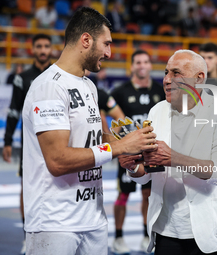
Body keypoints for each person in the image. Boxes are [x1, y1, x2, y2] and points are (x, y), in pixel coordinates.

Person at [21, 7, 156, 255]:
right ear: (86, 40)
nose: (109, 52)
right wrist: (119, 147)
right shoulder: (48, 87)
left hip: (93, 218)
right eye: (106, 44)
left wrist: (127, 149)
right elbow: (58, 160)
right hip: (55, 223)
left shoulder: (88, 86)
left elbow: (92, 139)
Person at [119, 50, 217, 254]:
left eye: (176, 73)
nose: (167, 79)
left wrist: (173, 158)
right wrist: (133, 167)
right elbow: (150, 172)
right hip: (167, 229)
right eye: (166, 72)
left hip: (213, 231)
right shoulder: (157, 111)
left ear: (199, 78)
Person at [110, 49, 165, 253]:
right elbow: (109, 114)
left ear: (150, 65)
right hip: (128, 153)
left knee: (148, 194)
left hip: (151, 151)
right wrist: (118, 143)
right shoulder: (120, 91)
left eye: (145, 61)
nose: (142, 65)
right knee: (123, 196)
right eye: (138, 62)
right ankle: (118, 237)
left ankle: (146, 234)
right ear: (132, 66)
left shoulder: (160, 92)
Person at [2, 33, 52, 255]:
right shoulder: (22, 78)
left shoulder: (57, 75)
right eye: (39, 46)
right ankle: (27, 236)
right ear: (33, 49)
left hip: (55, 143)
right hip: (30, 145)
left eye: (46, 46)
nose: (43, 50)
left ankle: (51, 233)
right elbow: (13, 111)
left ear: (51, 49)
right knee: (27, 188)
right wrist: (7, 141)